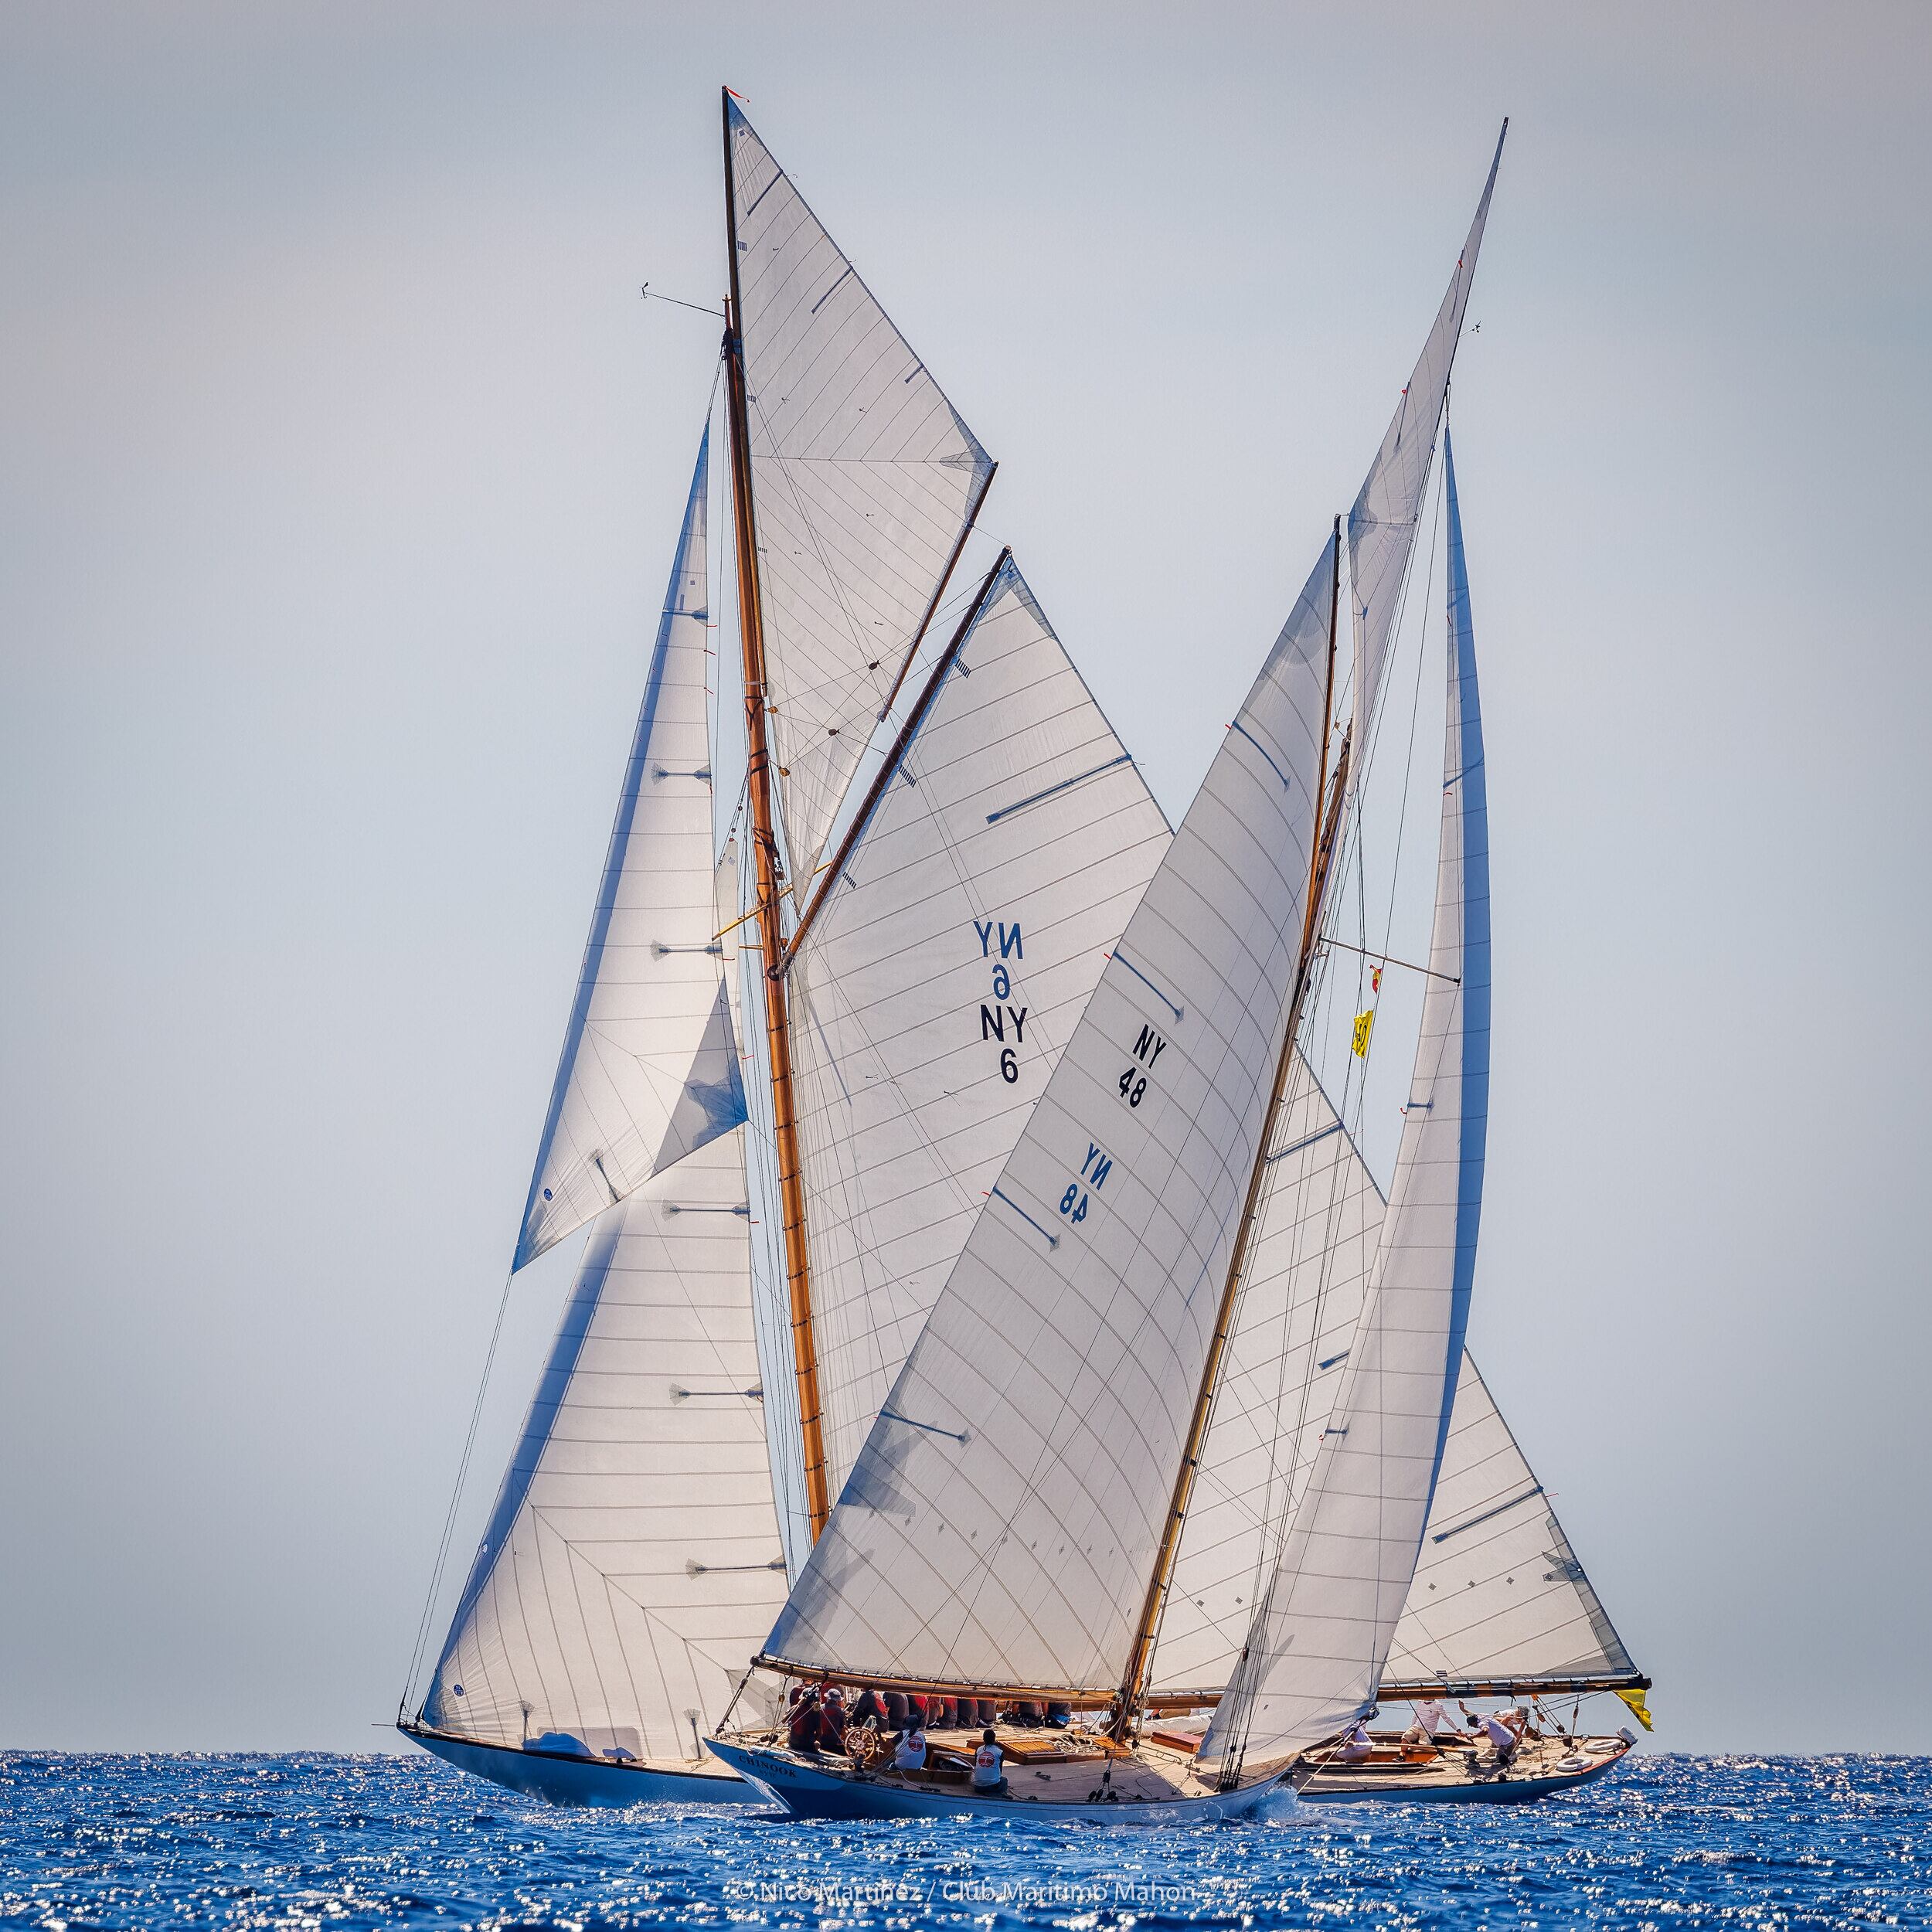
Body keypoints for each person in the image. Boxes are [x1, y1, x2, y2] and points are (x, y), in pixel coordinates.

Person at [971, 1727, 1008, 1797]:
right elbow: (1000, 1771)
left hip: (977, 1787)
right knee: (1004, 1780)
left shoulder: (979, 1750)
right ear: (994, 1739)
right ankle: (998, 1794)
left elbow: (976, 1765)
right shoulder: (999, 1752)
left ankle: (988, 1792)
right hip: (992, 1786)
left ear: (983, 1739)